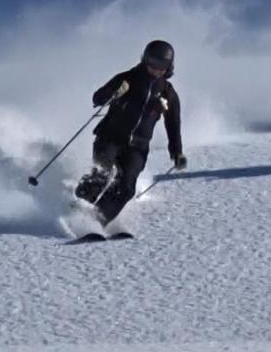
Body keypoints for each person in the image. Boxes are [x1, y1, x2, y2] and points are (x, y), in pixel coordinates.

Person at [74, 40, 187, 224]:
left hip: (138, 147)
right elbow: (97, 98)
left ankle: (96, 220)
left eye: (162, 67)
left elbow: (173, 125)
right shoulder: (127, 79)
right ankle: (76, 207)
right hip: (110, 137)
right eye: (153, 64)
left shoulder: (168, 93)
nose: (156, 70)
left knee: (126, 188)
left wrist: (177, 153)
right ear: (145, 60)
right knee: (102, 175)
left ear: (169, 67)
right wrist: (113, 93)